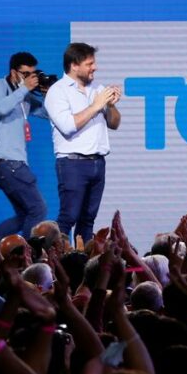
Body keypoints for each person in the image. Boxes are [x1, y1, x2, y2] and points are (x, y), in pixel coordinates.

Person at [44, 43, 121, 243]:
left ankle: (82, 263)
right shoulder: (57, 92)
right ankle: (56, 262)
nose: (94, 68)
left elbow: (114, 123)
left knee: (88, 220)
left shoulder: (98, 89)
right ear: (74, 66)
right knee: (68, 217)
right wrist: (96, 106)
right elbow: (68, 126)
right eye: (89, 64)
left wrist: (110, 105)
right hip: (72, 164)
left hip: (98, 163)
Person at [0, 52, 49, 239]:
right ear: (14, 72)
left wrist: (49, 94)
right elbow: (2, 108)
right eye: (25, 74)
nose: (30, 78)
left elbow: (49, 114)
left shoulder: (25, 96)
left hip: (15, 163)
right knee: (38, 210)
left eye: (33, 74)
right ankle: (31, 258)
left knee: (24, 216)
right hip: (7, 162)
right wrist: (24, 89)